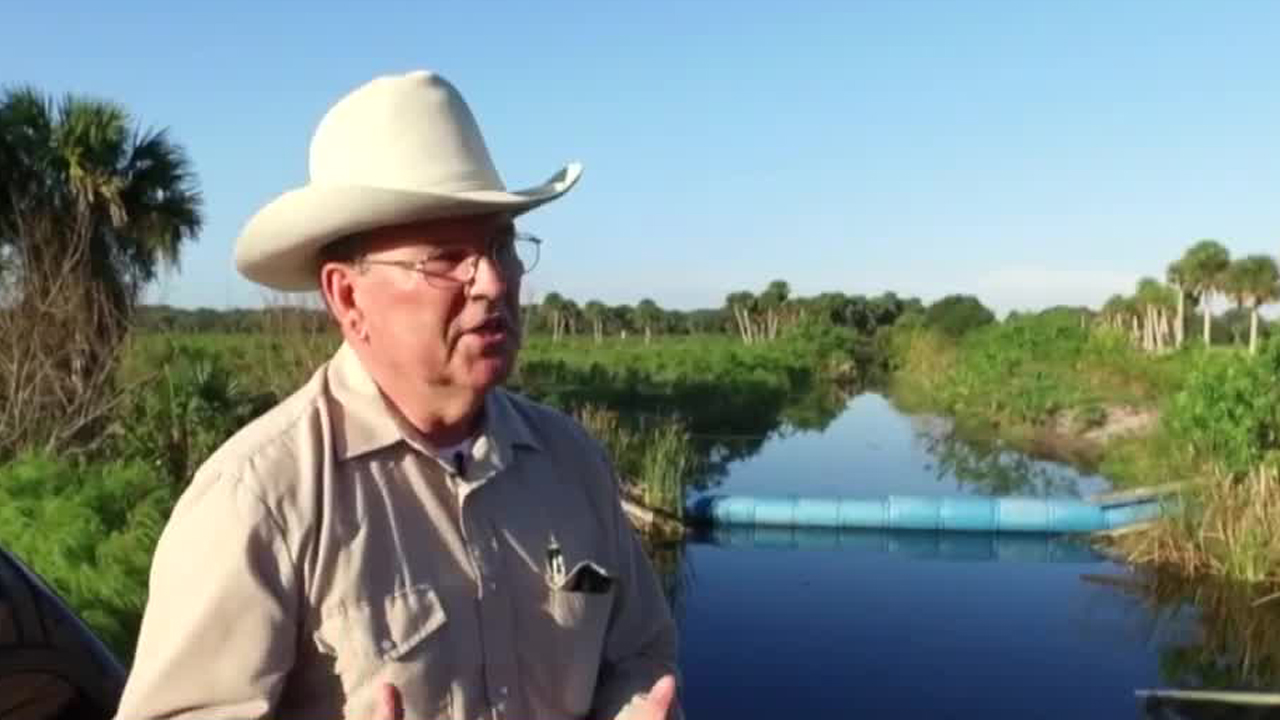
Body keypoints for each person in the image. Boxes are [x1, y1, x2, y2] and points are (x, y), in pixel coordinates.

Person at [113, 70, 682, 720]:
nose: (493, 281)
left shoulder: (572, 463)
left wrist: (635, 707)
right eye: (445, 257)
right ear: (348, 297)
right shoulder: (258, 505)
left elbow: (639, 653)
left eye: (500, 246)